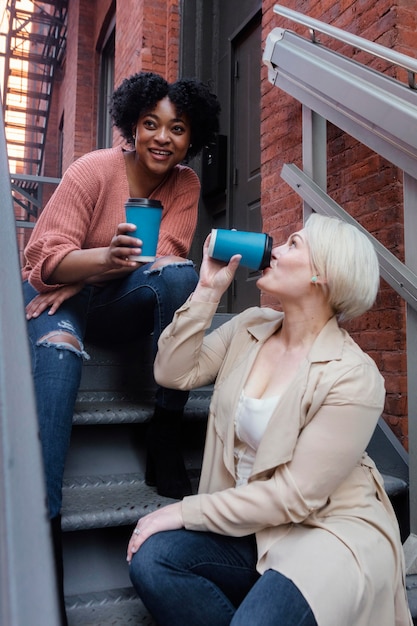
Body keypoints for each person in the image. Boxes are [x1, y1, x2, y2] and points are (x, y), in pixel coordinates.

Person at [127, 213, 413, 626]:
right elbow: (172, 372)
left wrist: (182, 512)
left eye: (293, 244)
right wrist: (207, 290)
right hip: (254, 527)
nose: (274, 250)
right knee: (152, 560)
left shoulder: (354, 374)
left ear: (324, 275)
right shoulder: (250, 327)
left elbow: (294, 497)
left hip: (325, 530)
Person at [22, 71, 220, 623]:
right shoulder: (93, 169)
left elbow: (169, 260)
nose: (162, 137)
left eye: (177, 128)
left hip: (103, 292)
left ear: (191, 137)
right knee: (60, 353)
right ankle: (44, 534)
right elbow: (42, 259)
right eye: (151, 123)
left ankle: (164, 427)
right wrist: (90, 267)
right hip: (55, 293)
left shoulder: (183, 185)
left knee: (181, 275)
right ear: (132, 125)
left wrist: (90, 275)